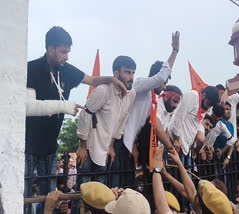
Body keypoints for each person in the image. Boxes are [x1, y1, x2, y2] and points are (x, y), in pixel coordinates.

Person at [25, 26, 127, 199]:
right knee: (24, 196)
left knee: (51, 197)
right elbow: (29, 107)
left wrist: (112, 79)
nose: (66, 56)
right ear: (51, 49)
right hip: (29, 146)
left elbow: (93, 80)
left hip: (50, 146)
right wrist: (64, 106)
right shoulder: (32, 68)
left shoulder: (66, 70)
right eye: (63, 52)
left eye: (68, 52)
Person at [111, 31, 180, 188]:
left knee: (127, 187)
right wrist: (175, 51)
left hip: (127, 145)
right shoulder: (141, 85)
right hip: (120, 142)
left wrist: (169, 147)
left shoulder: (151, 100)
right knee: (118, 188)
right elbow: (161, 77)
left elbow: (156, 125)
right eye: (163, 83)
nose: (164, 87)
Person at [75, 56, 136, 186]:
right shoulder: (103, 90)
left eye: (133, 73)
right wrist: (82, 146)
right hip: (89, 148)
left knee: (100, 195)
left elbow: (121, 123)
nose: (131, 76)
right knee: (81, 195)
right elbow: (85, 114)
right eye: (127, 72)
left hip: (105, 151)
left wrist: (111, 146)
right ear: (116, 73)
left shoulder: (131, 95)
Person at [167, 147, 233, 214]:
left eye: (207, 190)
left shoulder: (200, 206)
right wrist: (176, 165)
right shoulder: (206, 207)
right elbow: (189, 190)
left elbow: (190, 191)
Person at [168, 85, 220, 168]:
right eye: (208, 104)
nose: (207, 107)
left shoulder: (203, 107)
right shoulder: (193, 96)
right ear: (203, 95)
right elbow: (179, 117)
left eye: (210, 106)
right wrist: (176, 141)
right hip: (175, 144)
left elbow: (196, 125)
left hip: (186, 149)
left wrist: (199, 144)